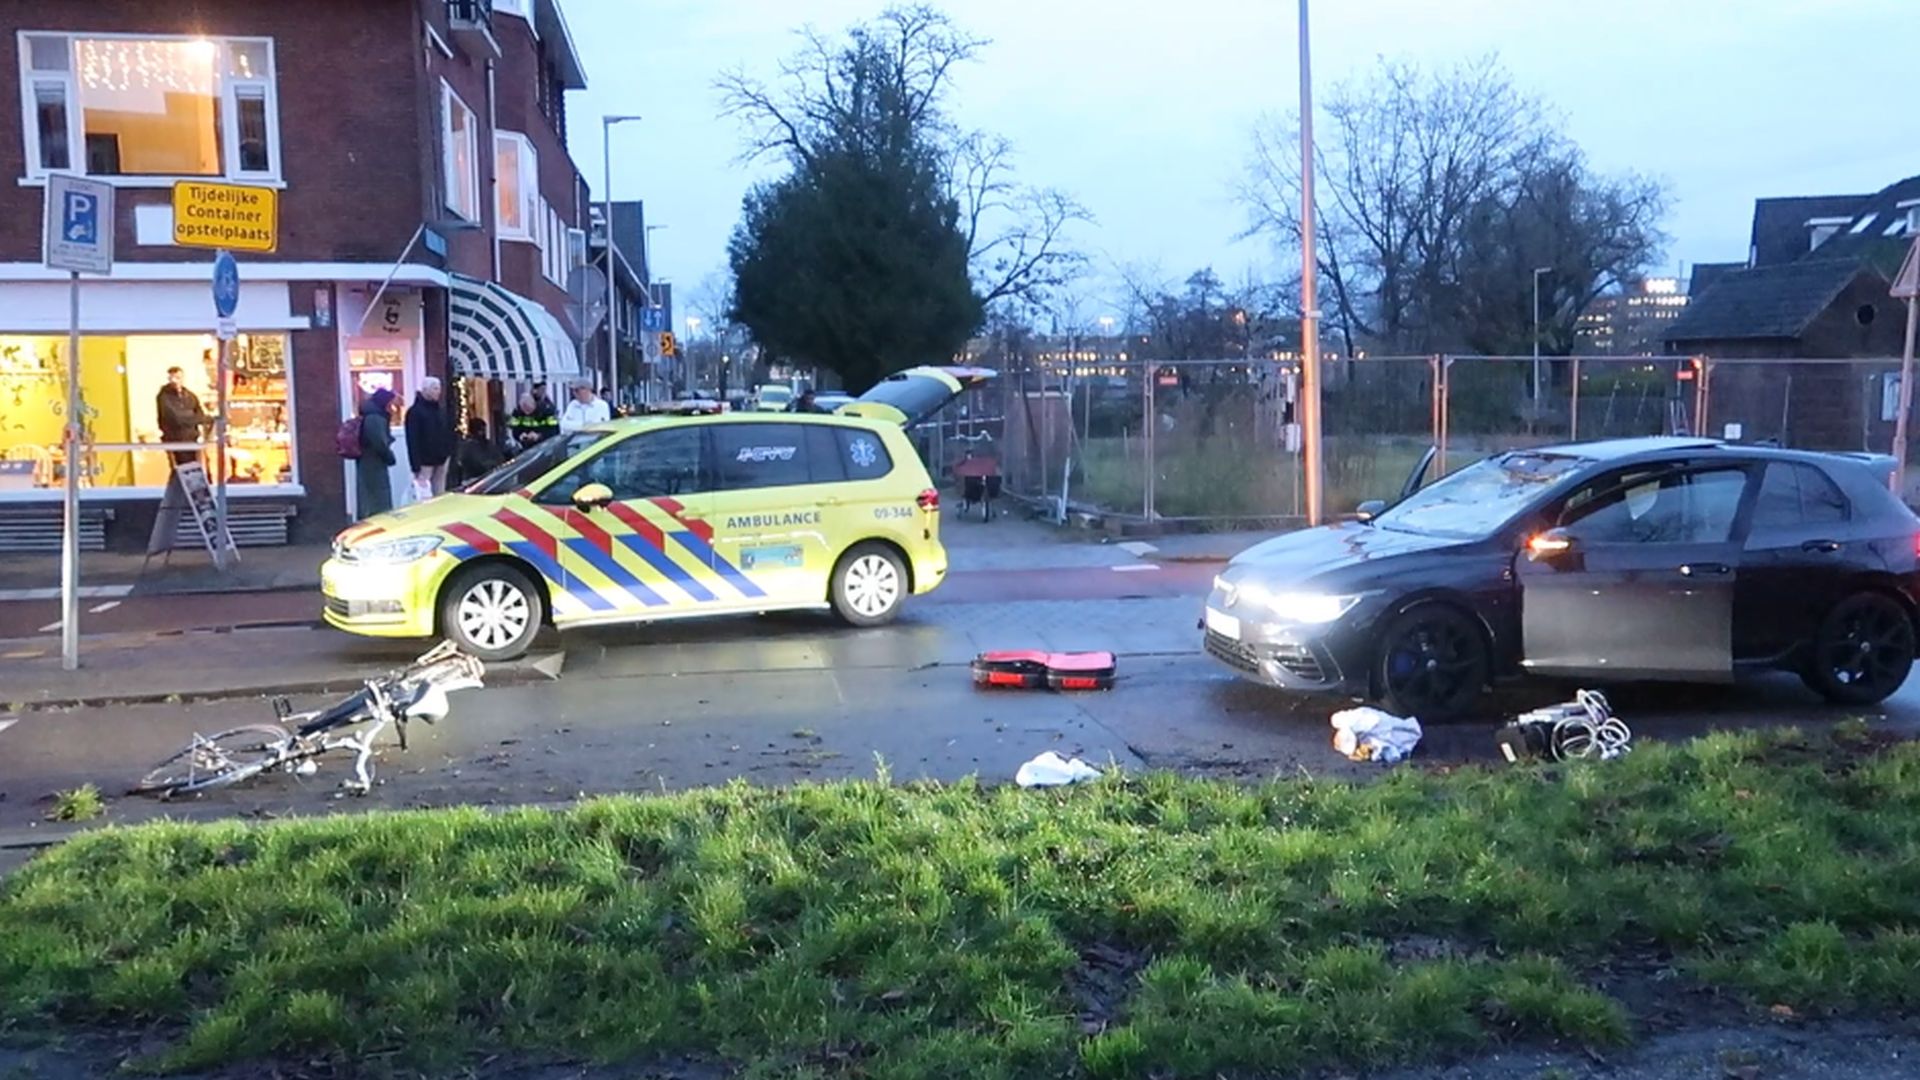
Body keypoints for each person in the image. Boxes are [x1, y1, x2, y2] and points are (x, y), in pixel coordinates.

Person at [403, 376, 454, 496]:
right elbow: (412, 440)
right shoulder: (415, 412)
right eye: (435, 388)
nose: (439, 392)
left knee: (439, 493)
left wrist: (448, 451)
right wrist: (415, 465)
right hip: (425, 461)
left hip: (442, 457)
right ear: (425, 390)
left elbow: (447, 431)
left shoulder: (440, 410)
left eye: (439, 388)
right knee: (423, 494)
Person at [354, 388, 398, 519]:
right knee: (377, 495)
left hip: (368, 461)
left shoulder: (371, 414)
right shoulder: (375, 418)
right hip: (373, 462)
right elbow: (379, 442)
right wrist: (389, 457)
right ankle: (378, 521)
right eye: (390, 403)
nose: (392, 406)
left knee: (369, 493)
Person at [156, 366, 210, 465]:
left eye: (178, 377)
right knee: (182, 468)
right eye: (172, 378)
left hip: (192, 439)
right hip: (176, 440)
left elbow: (200, 415)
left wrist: (189, 417)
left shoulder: (190, 395)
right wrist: (191, 416)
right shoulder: (164, 396)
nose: (175, 381)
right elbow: (175, 418)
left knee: (197, 466)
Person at [454, 418, 504, 485]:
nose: (483, 432)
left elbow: (500, 459)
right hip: (472, 480)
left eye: (484, 430)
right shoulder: (467, 446)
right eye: (480, 430)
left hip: (490, 478)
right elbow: (476, 463)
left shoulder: (488, 444)